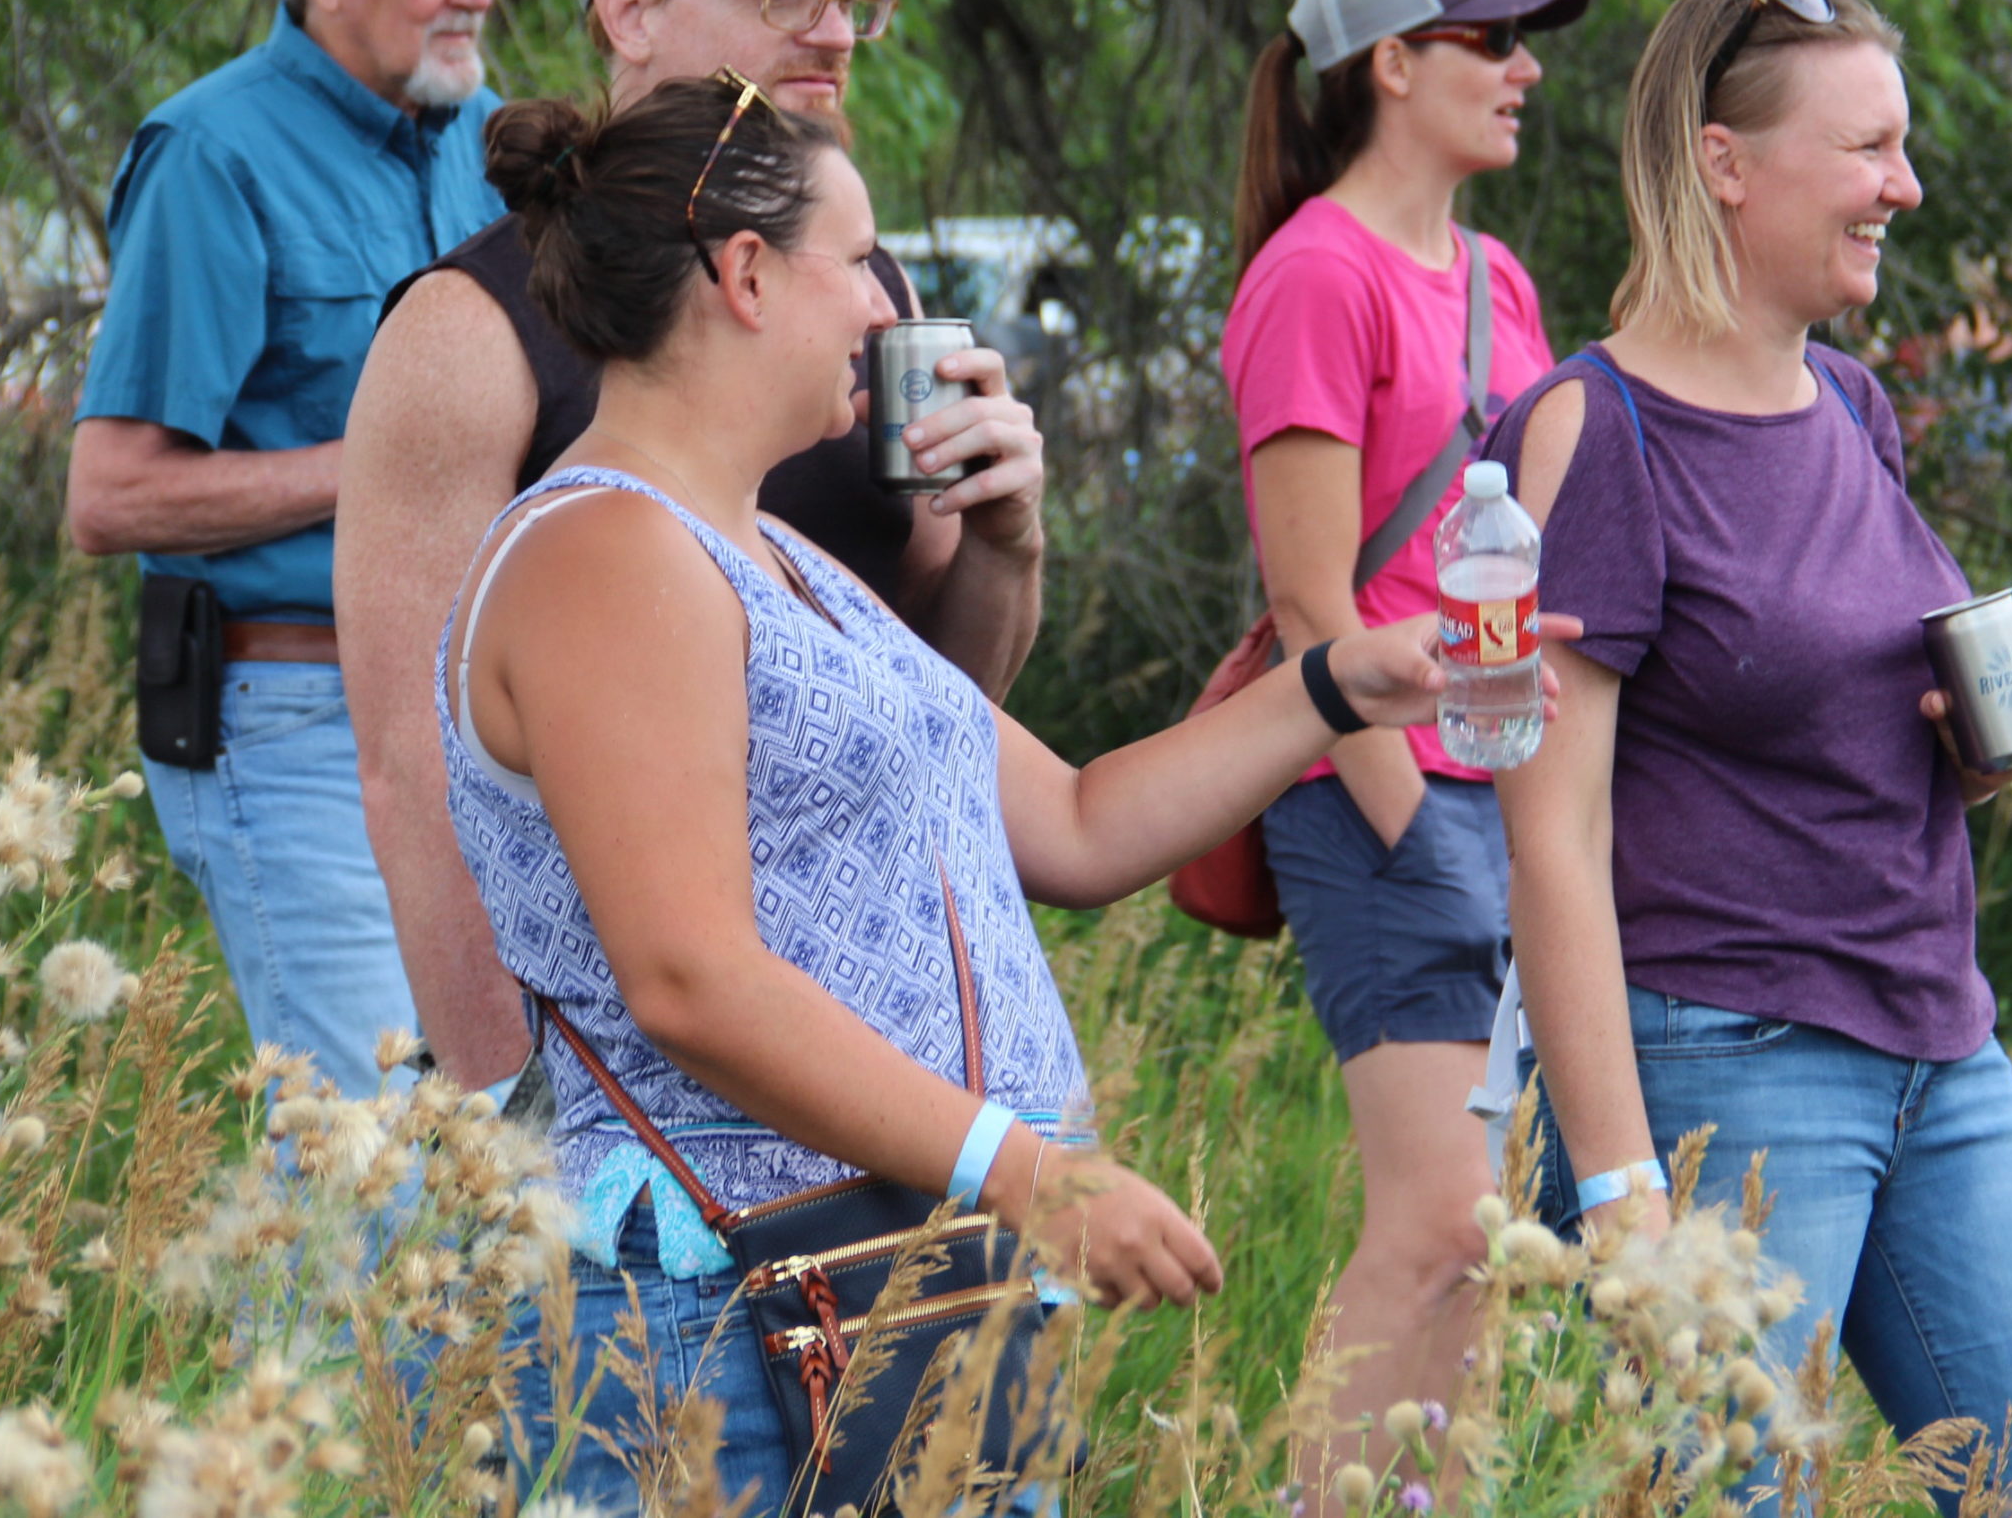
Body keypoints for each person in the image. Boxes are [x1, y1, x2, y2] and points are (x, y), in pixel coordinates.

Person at [452, 76, 1508, 1513]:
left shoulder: (781, 557)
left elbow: (1075, 824)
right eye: (864, 262)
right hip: (721, 1317)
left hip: (897, 1280)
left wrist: (1338, 687)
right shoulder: (610, 554)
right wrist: (1030, 1175)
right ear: (745, 274)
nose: (892, 313)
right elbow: (686, 972)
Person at [1483, 0, 2012, 1516]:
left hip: (1943, 1049)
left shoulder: (1851, 405)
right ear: (1724, 161)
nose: (1903, 187)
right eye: (1868, 150)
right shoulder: (1594, 435)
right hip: (1728, 1065)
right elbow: (1552, 840)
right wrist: (1627, 1190)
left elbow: (1856, 747)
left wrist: (1983, 741)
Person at [336, 0, 1046, 1095]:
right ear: (627, 7)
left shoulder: (865, 287)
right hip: (634, 1087)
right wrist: (522, 1119)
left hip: (876, 1059)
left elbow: (944, 707)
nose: (831, 30)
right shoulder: (469, 327)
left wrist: (1005, 548)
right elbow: (409, 768)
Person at [66, 0, 554, 1097]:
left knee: (502, 1157)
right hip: (291, 717)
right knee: (372, 1164)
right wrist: (400, 460)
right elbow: (110, 495)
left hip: (482, 717)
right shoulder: (212, 155)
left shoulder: (495, 144)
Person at [1217, 0, 1588, 1472]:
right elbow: (1313, 601)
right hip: (1376, 799)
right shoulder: (1316, 274)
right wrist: (1415, 830)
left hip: (1501, 788)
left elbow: (1541, 538)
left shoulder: (1498, 276)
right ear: (1393, 63)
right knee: (1440, 1213)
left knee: (1495, 1233)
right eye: (1490, 40)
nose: (1525, 70)